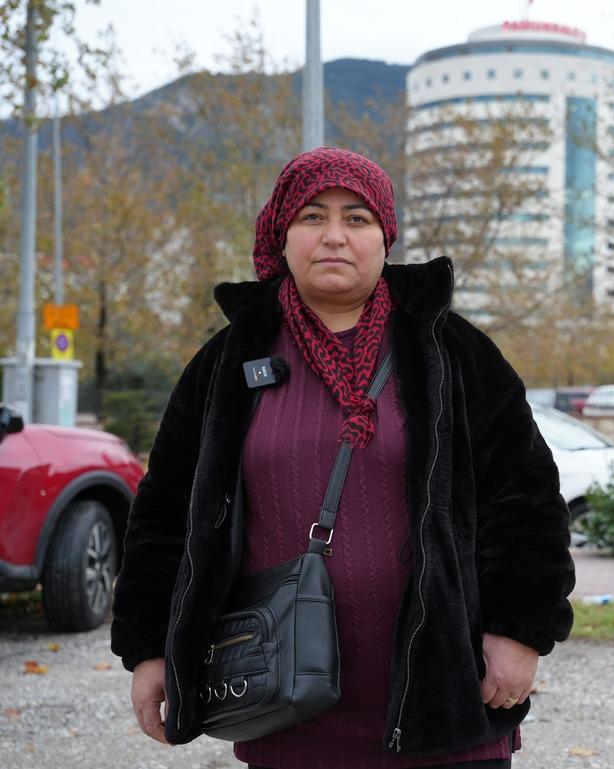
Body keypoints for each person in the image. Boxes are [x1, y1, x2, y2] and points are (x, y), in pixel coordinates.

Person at [110, 147, 575, 769]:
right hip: (281, 695)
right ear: (282, 237)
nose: (334, 236)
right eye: (312, 217)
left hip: (442, 688)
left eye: (357, 218)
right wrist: (150, 649)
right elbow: (165, 516)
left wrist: (520, 631)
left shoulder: (454, 352)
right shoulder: (227, 362)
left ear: (385, 237)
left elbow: (526, 500)